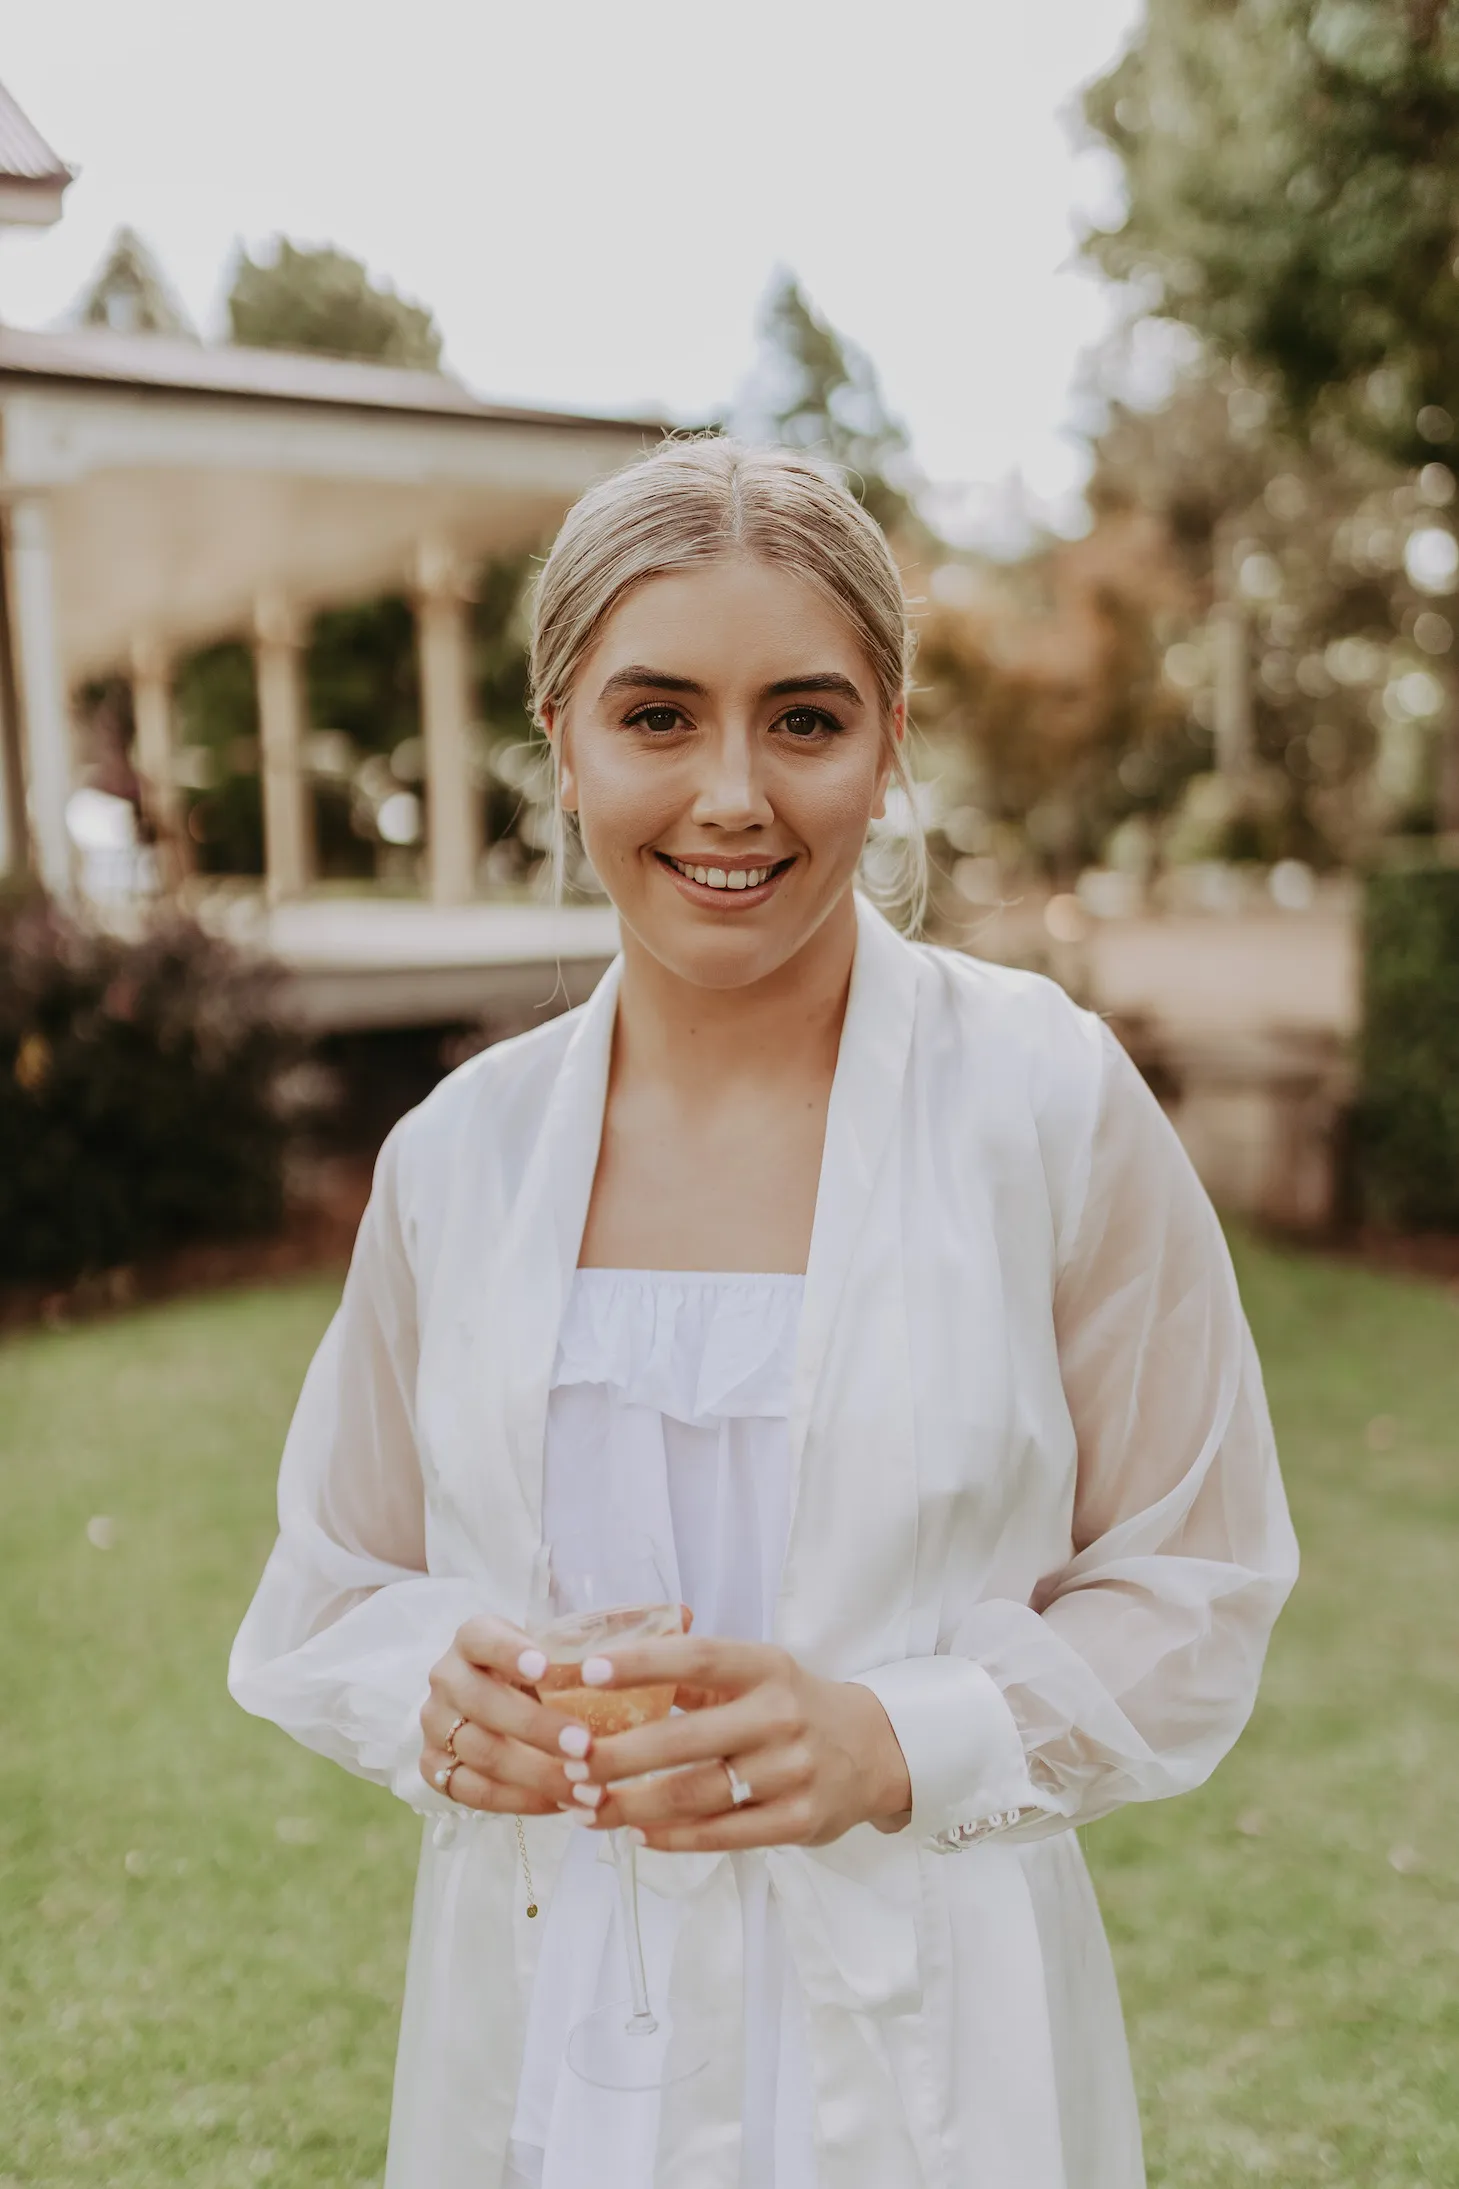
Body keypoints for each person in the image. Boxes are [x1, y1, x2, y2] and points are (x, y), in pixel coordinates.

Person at [229, 438, 1299, 2189]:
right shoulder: (461, 1159)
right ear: (560, 739)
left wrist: (893, 1737)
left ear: (887, 746)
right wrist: (438, 1692)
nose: (732, 794)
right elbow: (334, 1579)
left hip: (933, 2048)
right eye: (657, 717)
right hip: (551, 2032)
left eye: (802, 721)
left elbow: (1199, 1575)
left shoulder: (1043, 1101)